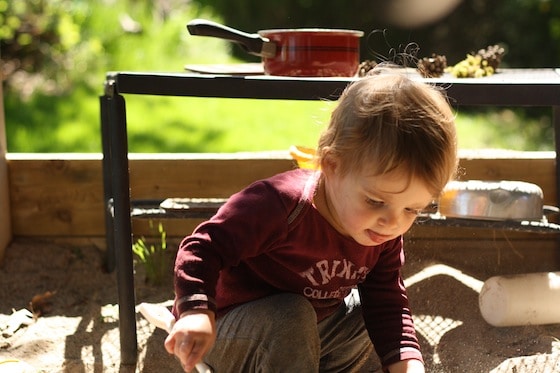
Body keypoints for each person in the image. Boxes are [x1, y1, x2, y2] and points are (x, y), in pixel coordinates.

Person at [164, 66, 458, 373]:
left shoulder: (381, 228)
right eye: (375, 201)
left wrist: (408, 365)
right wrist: (196, 312)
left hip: (307, 333)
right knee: (293, 313)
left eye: (412, 210)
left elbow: (387, 301)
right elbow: (202, 247)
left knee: (364, 314)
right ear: (332, 166)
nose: (393, 222)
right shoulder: (281, 205)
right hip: (224, 331)